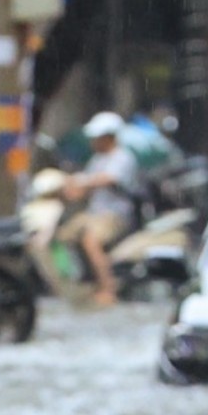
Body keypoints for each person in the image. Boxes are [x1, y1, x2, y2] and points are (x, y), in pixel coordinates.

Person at [60, 111, 142, 304]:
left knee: (91, 241)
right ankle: (75, 282)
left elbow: (107, 179)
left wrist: (82, 181)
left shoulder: (123, 158)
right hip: (93, 214)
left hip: (114, 215)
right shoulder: (97, 159)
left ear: (109, 137)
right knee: (62, 236)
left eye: (97, 137)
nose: (93, 142)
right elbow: (83, 189)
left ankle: (108, 288)